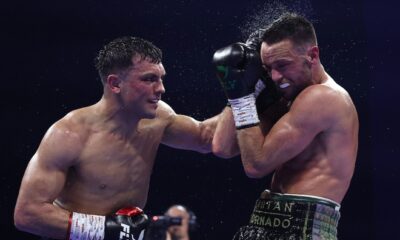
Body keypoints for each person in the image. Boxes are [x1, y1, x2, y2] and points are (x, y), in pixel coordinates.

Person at [14, 36, 219, 240]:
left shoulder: (159, 118)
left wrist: (241, 94)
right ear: (115, 84)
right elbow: (27, 214)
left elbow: (207, 138)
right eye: (149, 79)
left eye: (161, 78)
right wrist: (107, 230)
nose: (161, 89)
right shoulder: (70, 133)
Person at [212, 12, 359, 239]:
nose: (275, 76)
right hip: (262, 225)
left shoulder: (323, 97)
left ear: (313, 55)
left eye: (282, 65)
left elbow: (256, 165)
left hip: (303, 230)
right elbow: (223, 146)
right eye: (267, 68)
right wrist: (241, 87)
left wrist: (243, 99)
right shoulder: (289, 99)